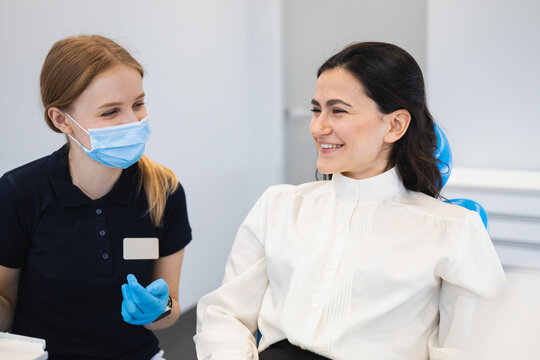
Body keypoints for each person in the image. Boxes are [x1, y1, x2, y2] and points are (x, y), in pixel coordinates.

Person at [194, 42, 506, 359]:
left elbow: (468, 350)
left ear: (395, 125)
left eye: (338, 111)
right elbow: (225, 314)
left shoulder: (452, 229)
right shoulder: (280, 205)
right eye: (316, 110)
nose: (318, 127)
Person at [0, 35, 192, 360]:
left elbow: (169, 311)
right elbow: (6, 308)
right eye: (110, 112)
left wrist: (159, 309)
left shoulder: (164, 191)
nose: (133, 121)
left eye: (138, 104)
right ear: (62, 120)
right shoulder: (20, 193)